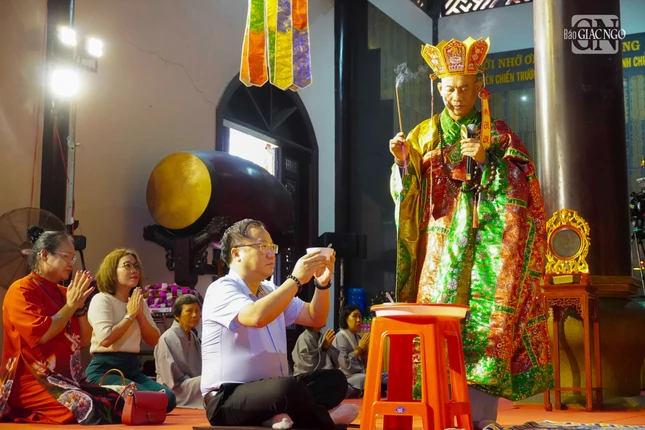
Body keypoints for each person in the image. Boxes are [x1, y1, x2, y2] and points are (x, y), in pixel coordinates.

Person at [389, 37, 552, 428]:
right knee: (436, 321)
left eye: (464, 88)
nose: (457, 97)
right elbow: (406, 195)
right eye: (449, 88)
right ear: (438, 88)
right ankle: (436, 413)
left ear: (478, 86)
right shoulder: (422, 134)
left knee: (484, 327)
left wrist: (488, 160)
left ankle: (480, 417)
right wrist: (403, 165)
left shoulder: (498, 133)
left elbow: (524, 185)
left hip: (486, 248)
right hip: (438, 248)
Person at [201, 219, 359, 429]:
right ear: (236, 253)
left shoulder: (270, 290)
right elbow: (256, 317)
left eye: (271, 247)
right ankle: (325, 419)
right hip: (227, 398)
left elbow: (315, 318)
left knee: (335, 380)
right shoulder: (222, 288)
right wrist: (295, 279)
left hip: (270, 391)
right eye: (262, 246)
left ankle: (274, 416)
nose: (270, 254)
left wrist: (322, 284)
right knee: (287, 389)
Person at [0, 227, 121, 424]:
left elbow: (84, 340)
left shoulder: (66, 293)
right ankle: (22, 410)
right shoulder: (21, 290)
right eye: (66, 256)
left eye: (73, 258)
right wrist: (71, 306)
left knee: (116, 402)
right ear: (44, 255)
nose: (71, 263)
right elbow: (43, 335)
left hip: (68, 379)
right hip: (32, 380)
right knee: (85, 407)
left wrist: (79, 309)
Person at [85, 248, 176, 413]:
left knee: (168, 398)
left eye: (136, 266)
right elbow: (106, 339)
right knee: (147, 398)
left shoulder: (137, 302)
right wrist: (130, 315)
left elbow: (154, 340)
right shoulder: (102, 299)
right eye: (127, 266)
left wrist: (140, 316)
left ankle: (133, 407)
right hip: (105, 370)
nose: (134, 270)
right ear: (112, 273)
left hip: (132, 369)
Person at [154, 294, 203, 408]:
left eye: (197, 311)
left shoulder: (193, 337)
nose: (195, 315)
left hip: (192, 384)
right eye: (189, 311)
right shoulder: (168, 337)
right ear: (177, 315)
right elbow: (170, 380)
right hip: (175, 390)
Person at [333, 305, 387, 398]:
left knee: (386, 375)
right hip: (347, 377)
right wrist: (359, 349)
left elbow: (366, 364)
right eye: (354, 316)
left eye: (360, 317)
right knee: (366, 378)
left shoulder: (359, 337)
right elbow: (345, 365)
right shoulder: (340, 337)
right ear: (345, 319)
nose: (358, 320)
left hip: (360, 373)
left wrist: (367, 354)